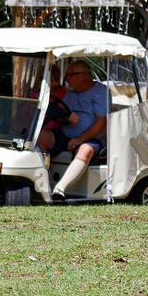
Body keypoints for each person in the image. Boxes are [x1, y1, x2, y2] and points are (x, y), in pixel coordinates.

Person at [49, 60, 108, 201]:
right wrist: (65, 118)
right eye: (67, 75)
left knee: (85, 150)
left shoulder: (100, 91)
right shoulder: (69, 93)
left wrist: (78, 140)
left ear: (84, 75)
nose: (67, 79)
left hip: (89, 139)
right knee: (41, 137)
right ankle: (37, 182)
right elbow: (61, 113)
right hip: (65, 135)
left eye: (71, 75)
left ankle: (60, 188)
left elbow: (101, 122)